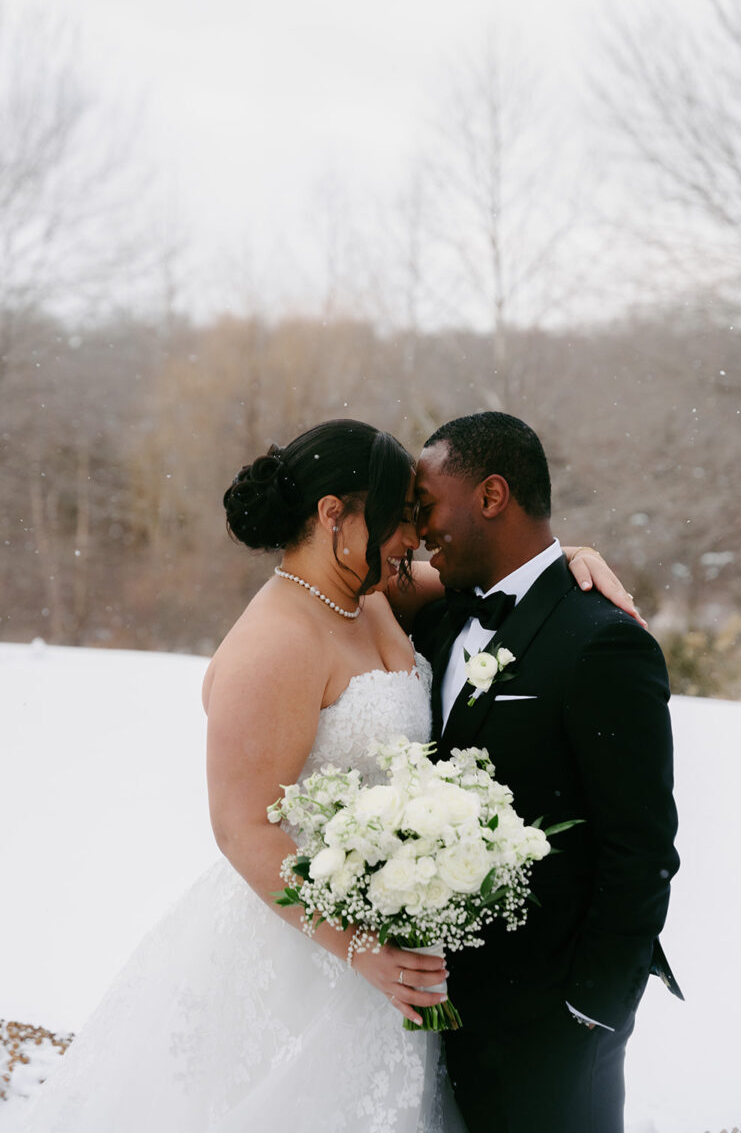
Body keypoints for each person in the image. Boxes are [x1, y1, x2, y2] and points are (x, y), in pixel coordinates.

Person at [12, 418, 639, 1133]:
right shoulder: (275, 640)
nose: (414, 539)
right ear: (333, 513)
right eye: (400, 519)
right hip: (302, 952)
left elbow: (509, 575)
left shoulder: (371, 591)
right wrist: (359, 948)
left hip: (391, 940)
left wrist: (576, 558)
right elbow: (241, 826)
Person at [411, 412, 683, 1133]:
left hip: (555, 1027)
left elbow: (643, 846)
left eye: (426, 503)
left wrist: (591, 1012)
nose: (417, 527)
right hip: (443, 1011)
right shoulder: (437, 618)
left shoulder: (602, 643)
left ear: (492, 496)